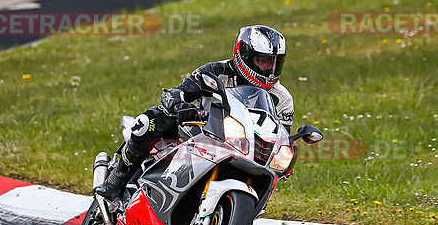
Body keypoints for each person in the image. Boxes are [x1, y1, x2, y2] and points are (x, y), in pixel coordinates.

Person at [95, 25, 293, 199]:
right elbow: (177, 92)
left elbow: (281, 136)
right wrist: (181, 106)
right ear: (244, 55)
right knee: (147, 122)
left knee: (270, 176)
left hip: (242, 149)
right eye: (263, 60)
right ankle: (116, 180)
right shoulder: (216, 71)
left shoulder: (283, 99)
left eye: (274, 62)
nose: (269, 68)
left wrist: (283, 155)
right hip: (197, 132)